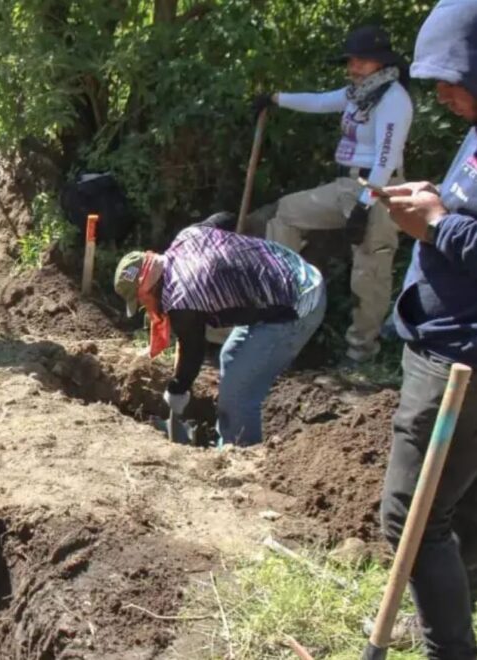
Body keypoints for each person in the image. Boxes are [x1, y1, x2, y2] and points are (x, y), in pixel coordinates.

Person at [375, 2, 477, 655]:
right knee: (459, 511)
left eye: (452, 76)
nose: (439, 93)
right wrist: (432, 207)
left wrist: (437, 224)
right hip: (444, 344)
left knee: (409, 519)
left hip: (459, 362)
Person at [256, 25, 413, 364]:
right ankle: (284, 307)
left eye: (361, 61)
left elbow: (385, 158)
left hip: (378, 191)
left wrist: (365, 205)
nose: (353, 67)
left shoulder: (393, 98)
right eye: (351, 60)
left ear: (381, 62)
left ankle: (361, 352)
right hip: (344, 186)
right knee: (285, 213)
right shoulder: (359, 93)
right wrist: (275, 98)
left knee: (369, 270)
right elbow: (320, 100)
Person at [113, 213, 327, 447]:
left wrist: (177, 391)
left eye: (140, 300)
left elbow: (193, 351)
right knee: (229, 356)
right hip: (292, 274)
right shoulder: (188, 236)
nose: (144, 306)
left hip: (299, 304)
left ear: (147, 289)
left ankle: (240, 458)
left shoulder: (182, 301)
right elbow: (225, 217)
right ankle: (228, 438)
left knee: (237, 395)